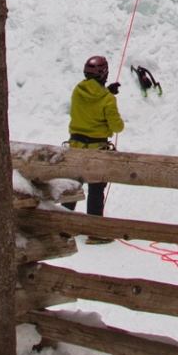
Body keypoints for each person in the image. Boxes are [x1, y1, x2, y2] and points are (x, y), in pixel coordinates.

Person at [66, 55, 124, 241]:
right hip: (96, 150)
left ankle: (62, 227)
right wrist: (109, 96)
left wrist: (107, 92)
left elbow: (90, 102)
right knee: (96, 189)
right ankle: (95, 232)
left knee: (72, 186)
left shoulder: (77, 90)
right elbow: (117, 127)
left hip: (75, 147)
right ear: (104, 74)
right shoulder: (107, 99)